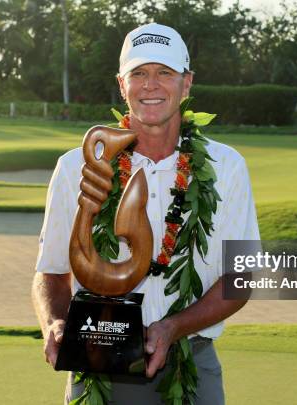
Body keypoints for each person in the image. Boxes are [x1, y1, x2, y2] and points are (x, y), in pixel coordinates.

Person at [32, 22, 259, 404]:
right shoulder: (76, 168)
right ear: (122, 84)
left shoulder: (227, 167)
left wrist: (174, 327)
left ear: (186, 84)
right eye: (138, 73)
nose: (150, 85)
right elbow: (51, 272)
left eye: (164, 73)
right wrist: (53, 323)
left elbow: (240, 277)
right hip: (99, 360)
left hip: (192, 363)